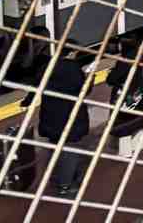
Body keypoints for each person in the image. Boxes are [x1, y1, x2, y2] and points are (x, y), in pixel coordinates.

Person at [38, 49, 92, 196]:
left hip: (50, 116)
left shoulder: (47, 66)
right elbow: (83, 90)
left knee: (54, 148)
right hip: (70, 117)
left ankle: (55, 179)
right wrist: (89, 78)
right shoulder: (74, 69)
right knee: (70, 150)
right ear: (71, 53)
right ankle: (66, 185)